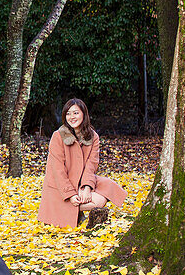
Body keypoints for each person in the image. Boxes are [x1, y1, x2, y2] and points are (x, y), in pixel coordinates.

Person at [37, 98, 126, 229]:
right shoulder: (58, 136)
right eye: (68, 113)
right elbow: (57, 170)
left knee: (102, 198)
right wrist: (71, 194)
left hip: (81, 181)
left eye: (76, 113)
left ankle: (72, 209)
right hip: (60, 186)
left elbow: (92, 165)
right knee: (81, 200)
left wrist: (87, 187)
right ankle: (66, 210)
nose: (72, 117)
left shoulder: (93, 136)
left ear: (83, 114)